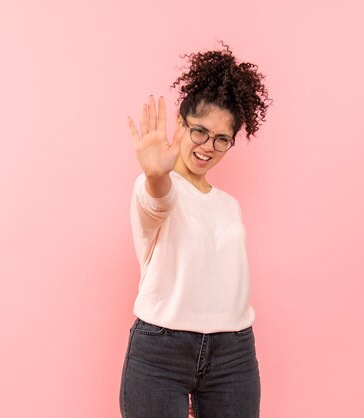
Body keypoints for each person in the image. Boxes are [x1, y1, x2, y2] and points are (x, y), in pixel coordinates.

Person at [119, 43, 270, 418]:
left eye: (222, 139)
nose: (208, 147)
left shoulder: (228, 205)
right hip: (161, 349)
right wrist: (156, 174)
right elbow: (160, 200)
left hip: (233, 353)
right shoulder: (156, 186)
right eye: (199, 132)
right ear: (182, 124)